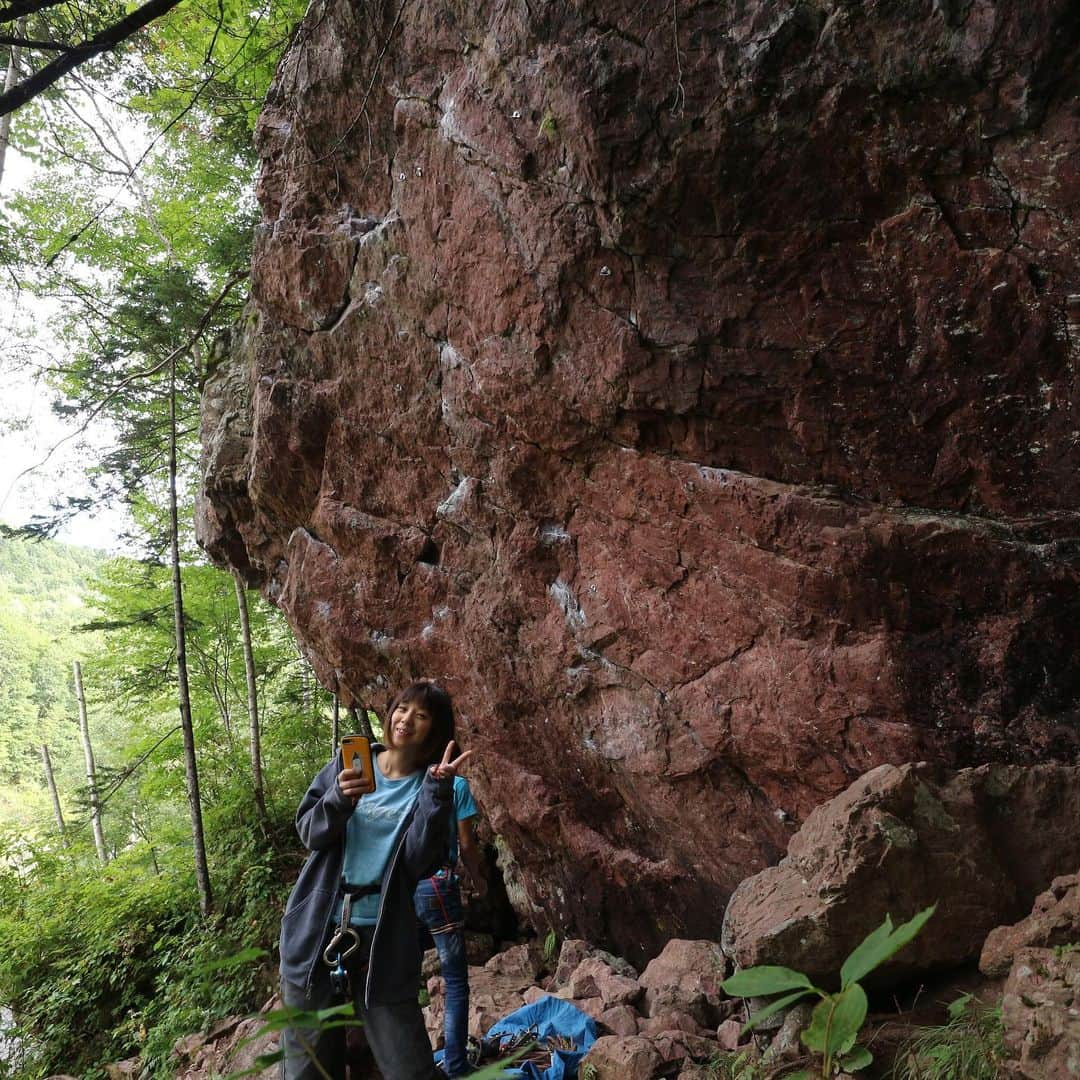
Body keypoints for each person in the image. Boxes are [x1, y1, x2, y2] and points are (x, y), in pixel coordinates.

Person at [278, 681, 471, 1080]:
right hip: (317, 931)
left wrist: (437, 792)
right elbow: (309, 833)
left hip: (383, 942)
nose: (406, 720)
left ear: (434, 731)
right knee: (306, 1069)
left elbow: (420, 861)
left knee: (408, 1066)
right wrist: (338, 799)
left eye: (421, 716)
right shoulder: (349, 764)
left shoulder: (429, 787)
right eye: (402, 709)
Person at [414, 773, 486, 1077]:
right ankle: (456, 1064)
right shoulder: (456, 785)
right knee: (455, 982)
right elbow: (466, 844)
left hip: (403, 887)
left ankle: (416, 1065)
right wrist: (481, 881)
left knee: (404, 980)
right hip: (437, 885)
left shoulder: (407, 780)